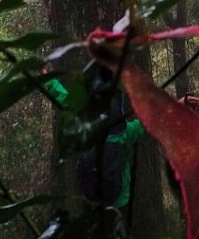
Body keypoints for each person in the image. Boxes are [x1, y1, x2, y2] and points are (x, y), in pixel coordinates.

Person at [43, 76, 145, 239]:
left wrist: (47, 78)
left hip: (90, 200)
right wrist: (179, 105)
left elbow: (63, 98)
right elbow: (153, 123)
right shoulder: (127, 134)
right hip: (118, 202)